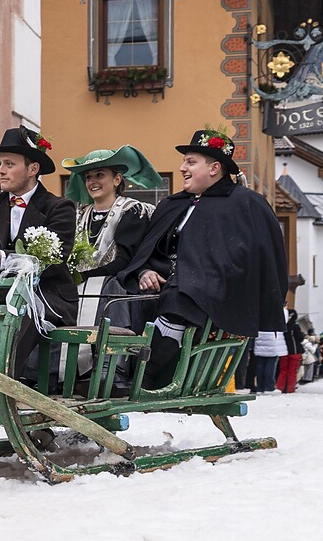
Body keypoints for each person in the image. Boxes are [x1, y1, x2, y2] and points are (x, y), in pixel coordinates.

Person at [112, 128, 290, 389]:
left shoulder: (247, 203)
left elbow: (259, 259)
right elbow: (147, 252)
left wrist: (194, 276)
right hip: (164, 289)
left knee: (181, 295)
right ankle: (110, 370)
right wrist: (144, 271)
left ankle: (148, 373)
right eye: (184, 161)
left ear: (215, 168)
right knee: (116, 290)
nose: (182, 168)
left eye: (191, 162)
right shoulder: (171, 204)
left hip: (213, 294)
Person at [0, 126, 78, 380]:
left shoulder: (59, 207)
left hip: (46, 295)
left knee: (22, 311)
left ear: (33, 169)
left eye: (9, 164)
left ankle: (0, 385)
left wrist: (1, 258)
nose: (0, 170)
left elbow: (54, 262)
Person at [62, 144, 162, 329]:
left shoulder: (132, 211)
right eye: (88, 177)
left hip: (113, 291)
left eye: (99, 175)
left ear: (117, 179)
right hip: (78, 291)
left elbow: (126, 260)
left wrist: (83, 276)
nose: (92, 182)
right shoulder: (78, 215)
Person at [277, 309, 305, 393]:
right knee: (292, 372)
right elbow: (300, 338)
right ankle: (290, 388)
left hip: (284, 351)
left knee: (283, 371)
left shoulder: (282, 326)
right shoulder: (295, 326)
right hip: (295, 351)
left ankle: (280, 387)